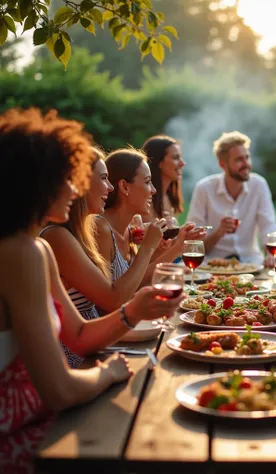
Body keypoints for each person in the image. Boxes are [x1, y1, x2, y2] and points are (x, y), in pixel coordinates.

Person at [0, 108, 183, 473]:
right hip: (20, 430)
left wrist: (136, 311)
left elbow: (81, 336)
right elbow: (59, 390)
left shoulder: (35, 247)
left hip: (42, 409)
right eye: (67, 179)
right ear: (34, 183)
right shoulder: (18, 253)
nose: (75, 189)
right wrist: (109, 373)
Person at [41, 147, 167, 367]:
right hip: (75, 359)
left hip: (98, 347)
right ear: (79, 184)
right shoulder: (57, 236)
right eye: (103, 178)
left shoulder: (82, 231)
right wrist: (147, 248)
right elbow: (113, 301)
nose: (109, 187)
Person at [96, 149, 205, 287]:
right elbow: (114, 301)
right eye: (147, 182)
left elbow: (137, 281)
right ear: (124, 186)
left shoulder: (130, 229)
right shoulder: (102, 230)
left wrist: (176, 247)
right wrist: (148, 247)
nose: (153, 190)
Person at [187, 131, 276, 264]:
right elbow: (194, 245)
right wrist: (219, 232)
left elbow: (268, 227)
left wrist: (271, 254)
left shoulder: (259, 185)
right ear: (222, 165)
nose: (246, 163)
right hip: (211, 266)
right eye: (239, 159)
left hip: (251, 264)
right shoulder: (204, 189)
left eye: (247, 157)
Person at [142, 134, 185, 220]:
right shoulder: (145, 201)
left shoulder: (168, 197)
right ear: (159, 162)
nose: (182, 163)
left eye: (180, 157)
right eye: (176, 157)